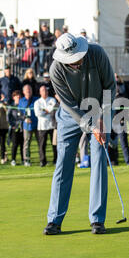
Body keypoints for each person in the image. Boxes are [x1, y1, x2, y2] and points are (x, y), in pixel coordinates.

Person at [44, 32, 115, 235]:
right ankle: (54, 220)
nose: (77, 62)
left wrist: (101, 117)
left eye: (78, 57)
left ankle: (97, 220)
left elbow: (110, 86)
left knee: (99, 159)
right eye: (72, 60)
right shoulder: (56, 69)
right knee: (64, 163)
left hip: (100, 109)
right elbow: (69, 105)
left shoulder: (97, 53)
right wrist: (91, 125)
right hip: (70, 116)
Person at [108, 73, 129, 166]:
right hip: (111, 120)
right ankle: (113, 162)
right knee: (112, 144)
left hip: (121, 121)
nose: (116, 78)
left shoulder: (124, 91)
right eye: (114, 77)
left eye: (117, 76)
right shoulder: (108, 89)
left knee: (123, 143)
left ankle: (128, 162)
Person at [34, 84, 57, 167]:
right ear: (40, 92)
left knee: (54, 144)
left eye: (46, 90)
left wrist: (44, 110)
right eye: (43, 90)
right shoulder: (37, 102)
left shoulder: (52, 100)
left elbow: (53, 110)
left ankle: (55, 160)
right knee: (42, 145)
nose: (45, 92)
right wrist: (47, 111)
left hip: (52, 125)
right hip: (42, 126)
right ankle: (43, 161)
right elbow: (38, 113)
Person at [18, 84, 38, 167]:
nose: (28, 91)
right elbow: (19, 113)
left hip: (37, 124)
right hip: (27, 125)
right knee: (26, 143)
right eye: (26, 90)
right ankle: (26, 159)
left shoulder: (36, 99)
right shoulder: (21, 101)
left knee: (40, 143)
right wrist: (25, 118)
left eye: (29, 89)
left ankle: (42, 160)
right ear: (23, 92)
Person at [8, 90, 24, 166]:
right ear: (13, 97)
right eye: (16, 96)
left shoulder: (23, 105)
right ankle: (13, 159)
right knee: (15, 144)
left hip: (23, 127)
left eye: (19, 96)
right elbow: (8, 117)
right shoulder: (11, 106)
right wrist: (12, 124)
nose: (18, 97)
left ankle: (23, 159)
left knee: (22, 144)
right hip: (15, 128)